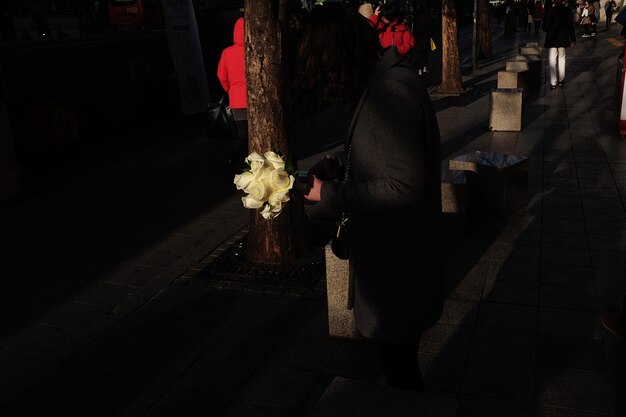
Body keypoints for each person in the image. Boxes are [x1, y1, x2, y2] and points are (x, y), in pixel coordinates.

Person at [296, 3, 444, 391]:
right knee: (398, 365)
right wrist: (342, 162)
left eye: (326, 69)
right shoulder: (387, 81)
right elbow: (390, 152)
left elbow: (403, 184)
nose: (329, 82)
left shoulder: (390, 90)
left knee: (400, 372)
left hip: (396, 265)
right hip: (397, 260)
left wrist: (330, 193)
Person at [217, 17, 248, 170]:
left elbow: (222, 76)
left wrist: (231, 89)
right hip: (257, 100)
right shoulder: (253, 49)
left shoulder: (227, 52)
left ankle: (233, 160)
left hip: (237, 100)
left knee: (243, 133)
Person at [543, 0, 576, 89]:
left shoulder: (550, 10)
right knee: (562, 58)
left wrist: (550, 30)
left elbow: (544, 26)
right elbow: (570, 26)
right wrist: (573, 39)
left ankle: (553, 82)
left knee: (552, 60)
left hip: (552, 39)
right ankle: (561, 80)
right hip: (563, 38)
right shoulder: (567, 10)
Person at [411, 8, 434, 75]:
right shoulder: (427, 19)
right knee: (425, 54)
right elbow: (430, 31)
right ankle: (425, 68)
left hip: (417, 40)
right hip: (425, 39)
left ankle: (419, 69)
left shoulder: (415, 20)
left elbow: (412, 31)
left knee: (418, 55)